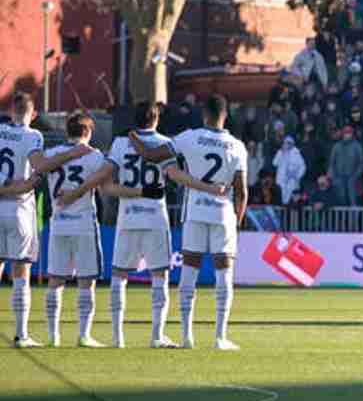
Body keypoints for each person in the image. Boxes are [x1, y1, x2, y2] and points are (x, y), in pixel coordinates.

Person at [55, 101, 227, 348]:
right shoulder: (163, 143)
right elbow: (175, 175)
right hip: (155, 217)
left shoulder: (120, 144)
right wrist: (208, 187)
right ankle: (157, 336)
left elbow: (105, 179)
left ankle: (117, 337)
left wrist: (76, 192)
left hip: (128, 217)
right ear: (156, 119)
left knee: (119, 276)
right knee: (160, 276)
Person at [131, 95, 248, 349]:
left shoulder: (189, 137)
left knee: (189, 273)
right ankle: (220, 337)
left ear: (203, 114)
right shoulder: (236, 146)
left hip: (195, 212)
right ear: (225, 115)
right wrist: (237, 222)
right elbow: (242, 191)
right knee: (224, 275)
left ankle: (187, 337)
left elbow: (151, 155)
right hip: (223, 214)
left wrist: (132, 137)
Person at [2, 92, 93, 348]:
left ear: (11, 111)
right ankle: (21, 335)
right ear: (33, 114)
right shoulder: (33, 135)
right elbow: (39, 165)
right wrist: (72, 154)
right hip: (19, 209)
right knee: (21, 270)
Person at [41, 112, 109, 347]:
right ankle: (84, 334)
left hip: (59, 223)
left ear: (66, 132)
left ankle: (53, 336)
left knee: (55, 280)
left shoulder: (51, 154)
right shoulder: (95, 156)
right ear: (88, 132)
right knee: (86, 280)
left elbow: (40, 170)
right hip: (83, 224)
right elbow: (105, 186)